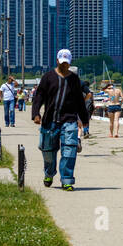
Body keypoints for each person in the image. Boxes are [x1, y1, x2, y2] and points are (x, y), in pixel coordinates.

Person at [30, 49, 90, 191]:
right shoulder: (48, 77)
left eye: (67, 63)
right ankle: (49, 174)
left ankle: (67, 180)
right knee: (48, 151)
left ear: (70, 63)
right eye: (62, 63)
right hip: (50, 121)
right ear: (57, 61)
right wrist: (36, 114)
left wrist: (84, 118)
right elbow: (39, 97)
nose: (64, 66)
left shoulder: (74, 80)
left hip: (69, 120)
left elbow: (79, 101)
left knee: (70, 150)